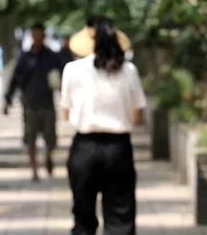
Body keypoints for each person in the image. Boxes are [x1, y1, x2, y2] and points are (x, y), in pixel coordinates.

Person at [59, 17, 146, 235]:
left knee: (83, 217)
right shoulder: (129, 71)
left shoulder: (72, 69)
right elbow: (137, 116)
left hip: (84, 148)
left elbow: (65, 112)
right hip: (119, 149)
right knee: (120, 216)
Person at [4, 23, 64, 181]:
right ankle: (34, 170)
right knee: (30, 138)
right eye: (34, 35)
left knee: (50, 138)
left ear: (44, 36)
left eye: (40, 35)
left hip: (47, 103)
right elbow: (15, 79)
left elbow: (63, 77)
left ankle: (48, 157)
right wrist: (8, 99)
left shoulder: (52, 57)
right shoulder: (24, 57)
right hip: (29, 103)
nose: (37, 38)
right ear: (31, 36)